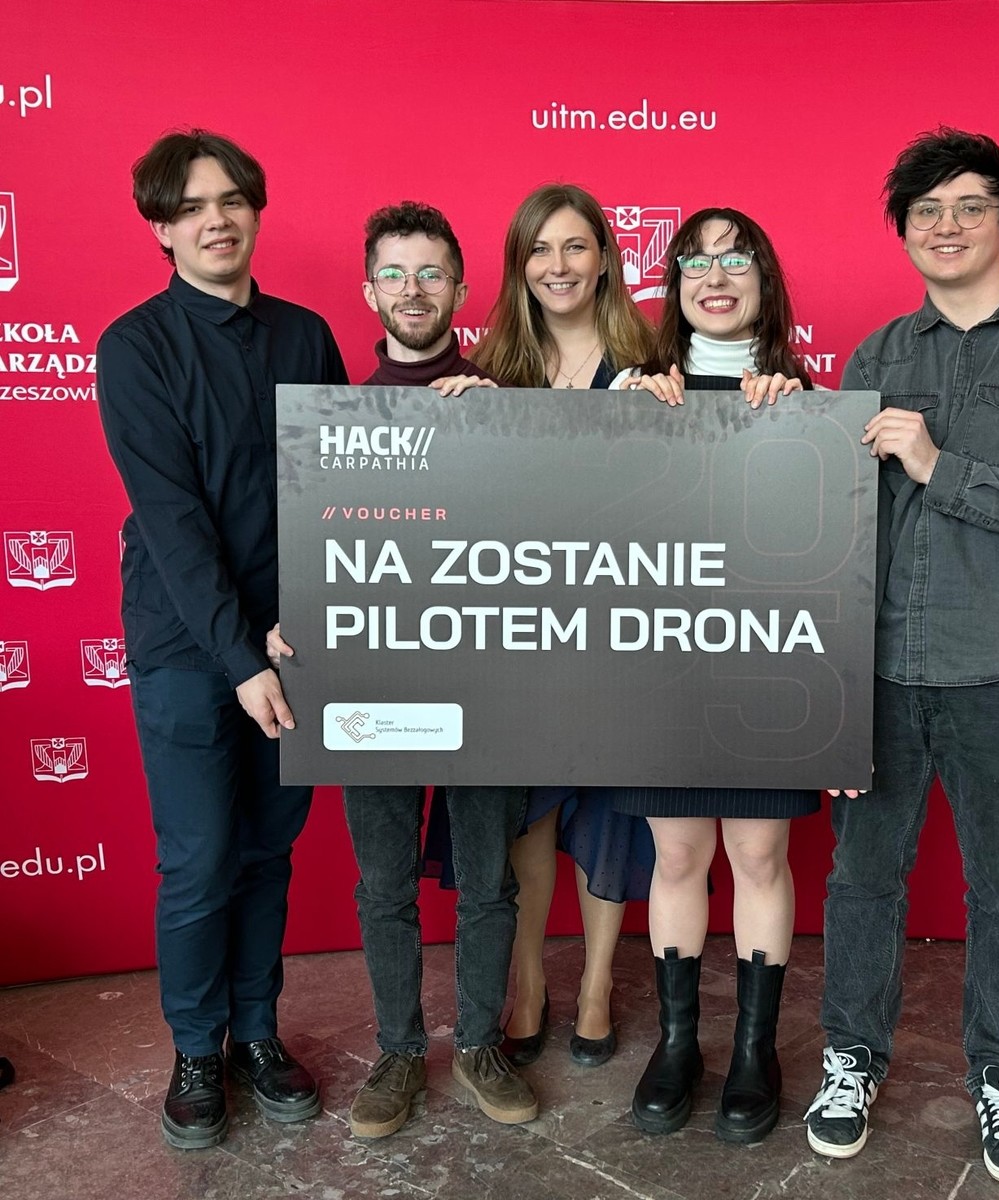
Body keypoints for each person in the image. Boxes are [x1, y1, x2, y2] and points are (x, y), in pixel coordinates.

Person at [805, 128, 999, 1187]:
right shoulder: (875, 358)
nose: (945, 226)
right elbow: (834, 529)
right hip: (880, 668)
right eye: (924, 211)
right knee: (862, 878)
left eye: (968, 206)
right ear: (901, 231)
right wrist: (828, 681)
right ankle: (851, 1060)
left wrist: (939, 465)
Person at [95, 129, 348, 1149]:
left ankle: (256, 1034)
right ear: (162, 228)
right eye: (192, 207)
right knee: (201, 861)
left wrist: (306, 628)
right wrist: (241, 658)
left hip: (292, 644)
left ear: (255, 211)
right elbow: (173, 521)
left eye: (233, 200)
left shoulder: (307, 336)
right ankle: (196, 1050)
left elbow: (341, 493)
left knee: (267, 851)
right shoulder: (135, 347)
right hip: (188, 649)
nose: (216, 219)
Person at [266, 201, 536, 1140]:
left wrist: (507, 434)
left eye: (431, 274)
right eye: (394, 273)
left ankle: (480, 1045)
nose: (413, 290)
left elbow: (556, 536)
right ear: (368, 291)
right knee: (384, 885)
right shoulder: (331, 418)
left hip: (489, 683)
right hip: (372, 686)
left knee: (489, 881)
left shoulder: (509, 404)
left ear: (462, 289)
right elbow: (308, 553)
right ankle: (397, 1051)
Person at [609, 207, 819, 1145]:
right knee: (678, 857)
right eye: (695, 262)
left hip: (768, 669)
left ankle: (755, 1051)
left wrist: (798, 420)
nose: (716, 277)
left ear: (765, 282)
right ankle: (678, 1045)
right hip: (663, 669)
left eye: (736, 261)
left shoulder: (808, 401)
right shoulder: (634, 393)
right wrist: (622, 417)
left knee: (761, 857)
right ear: (674, 285)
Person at [454, 183, 658, 1069]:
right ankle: (531, 981)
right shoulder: (489, 369)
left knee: (611, 811)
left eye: (575, 246)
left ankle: (599, 983)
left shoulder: (652, 359)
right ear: (519, 266)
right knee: (527, 814)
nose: (558, 265)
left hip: (622, 632)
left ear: (605, 258)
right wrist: (450, 423)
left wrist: (673, 414)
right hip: (521, 637)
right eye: (539, 249)